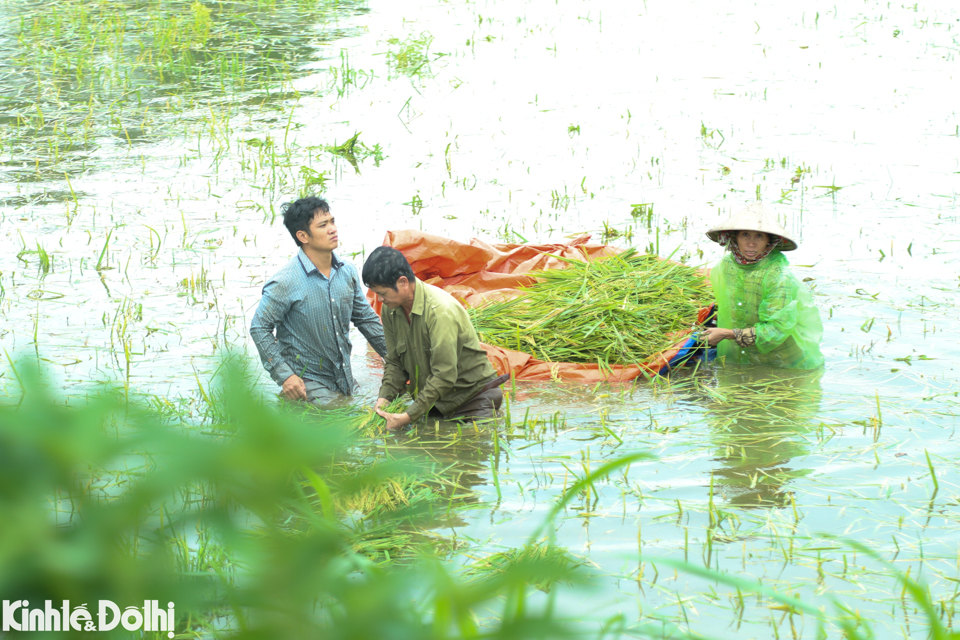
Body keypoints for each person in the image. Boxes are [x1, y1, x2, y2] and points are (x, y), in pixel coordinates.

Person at [250, 196, 387, 404]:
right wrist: (285, 376)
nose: (333, 229)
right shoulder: (285, 281)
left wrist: (398, 360)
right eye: (323, 225)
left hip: (345, 380)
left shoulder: (346, 272)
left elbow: (366, 320)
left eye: (332, 221)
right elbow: (259, 327)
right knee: (347, 422)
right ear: (303, 236)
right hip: (307, 384)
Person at [362, 246, 506, 430]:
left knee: (469, 449)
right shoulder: (391, 311)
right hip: (436, 402)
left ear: (403, 282)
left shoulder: (440, 312)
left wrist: (408, 416)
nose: (379, 300)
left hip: (473, 400)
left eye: (383, 293)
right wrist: (384, 398)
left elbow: (444, 375)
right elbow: (395, 363)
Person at [701, 203, 824, 369]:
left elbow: (776, 330)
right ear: (734, 237)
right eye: (745, 235)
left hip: (783, 362)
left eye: (759, 236)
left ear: (769, 241)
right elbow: (729, 304)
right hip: (738, 356)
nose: (751, 243)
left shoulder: (778, 276)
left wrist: (726, 333)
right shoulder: (727, 265)